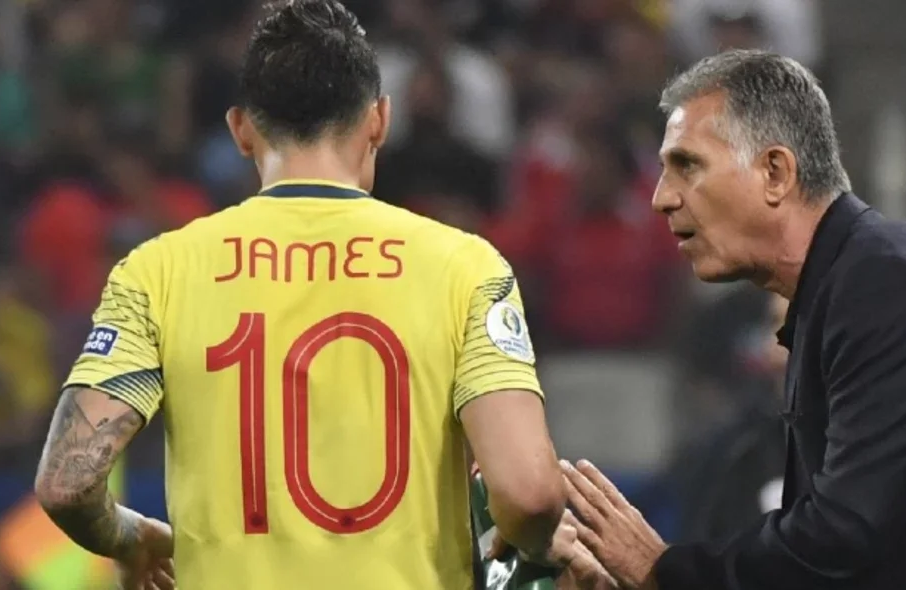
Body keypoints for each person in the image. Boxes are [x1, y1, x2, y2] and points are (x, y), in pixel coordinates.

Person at [32, 2, 571, 588]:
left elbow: (68, 482)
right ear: (380, 120)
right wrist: (523, 553)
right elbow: (529, 495)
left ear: (241, 130)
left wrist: (131, 536)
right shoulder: (466, 267)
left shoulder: (156, 272)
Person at [558, 49, 906, 590]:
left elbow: (843, 538)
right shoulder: (846, 286)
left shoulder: (892, 286)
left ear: (776, 172)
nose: (661, 197)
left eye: (687, 165)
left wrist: (666, 570)